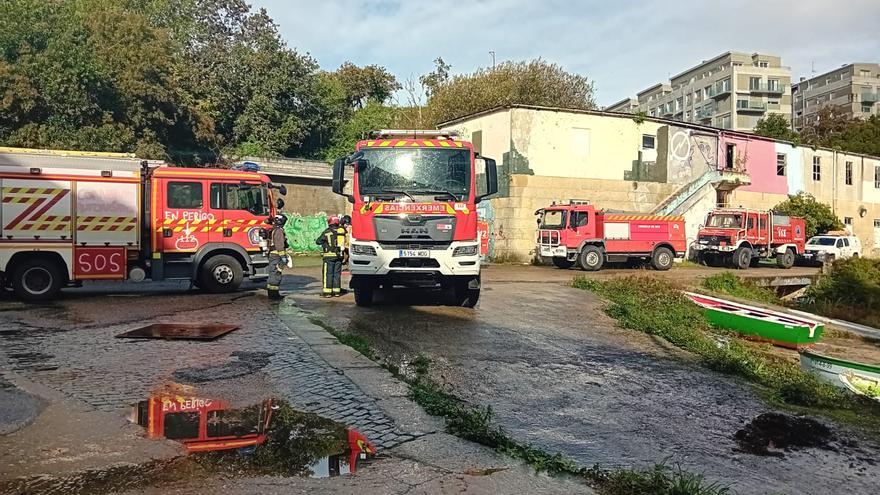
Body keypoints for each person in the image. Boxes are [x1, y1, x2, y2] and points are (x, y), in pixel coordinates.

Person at [316, 215, 347, 297]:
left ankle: (327, 292)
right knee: (337, 274)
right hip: (339, 256)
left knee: (328, 274)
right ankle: (336, 291)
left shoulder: (327, 232)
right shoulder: (341, 231)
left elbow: (318, 241)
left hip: (328, 257)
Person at [265, 214, 288, 300]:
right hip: (277, 255)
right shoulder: (279, 231)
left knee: (272, 273)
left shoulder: (273, 229)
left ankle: (271, 293)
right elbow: (279, 244)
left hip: (272, 254)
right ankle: (274, 295)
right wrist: (283, 256)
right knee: (276, 273)